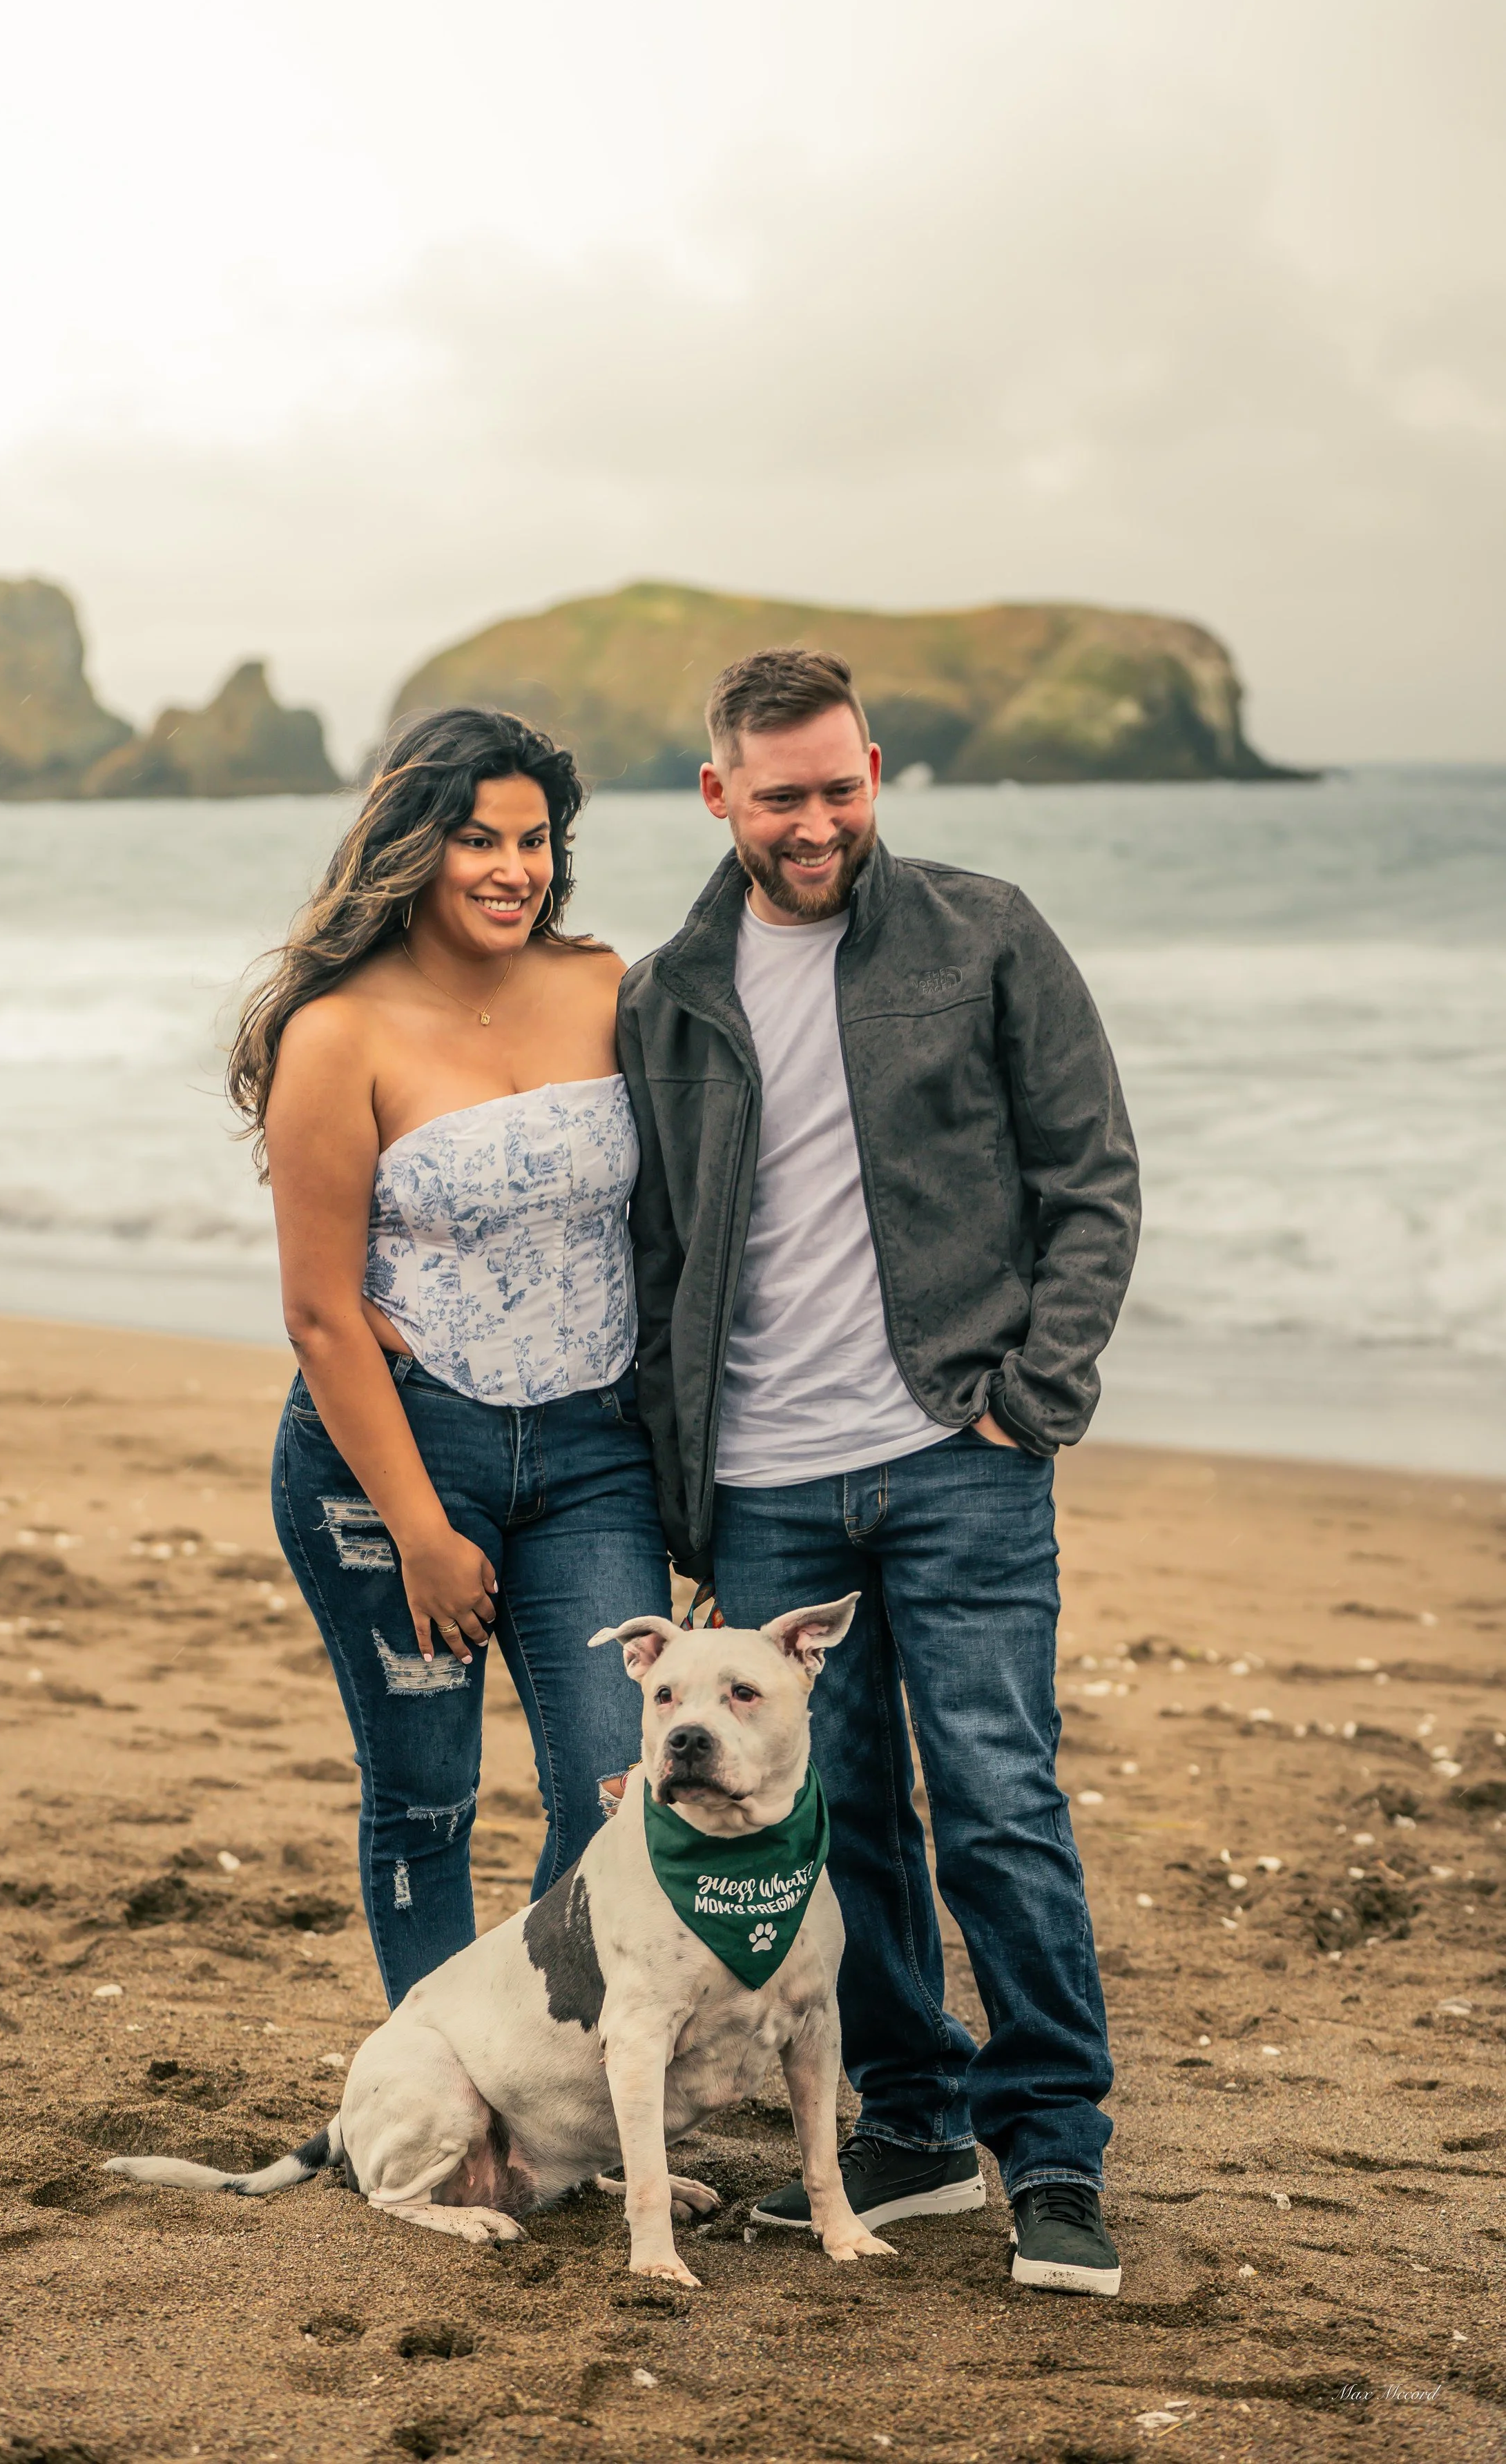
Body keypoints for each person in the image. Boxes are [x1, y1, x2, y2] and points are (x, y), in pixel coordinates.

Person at [616, 648, 1141, 2297]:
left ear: (873, 770)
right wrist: (675, 1477)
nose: (816, 818)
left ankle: (1049, 2146)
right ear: (719, 795)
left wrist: (1030, 1397)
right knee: (841, 1834)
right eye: (780, 794)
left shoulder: (983, 930)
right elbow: (654, 1251)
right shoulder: (669, 985)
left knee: (998, 1800)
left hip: (956, 1453)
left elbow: (1092, 1177)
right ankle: (908, 2128)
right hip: (767, 1487)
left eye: (840, 784)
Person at [229, 708, 668, 2004]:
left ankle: (527, 2050)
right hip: (397, 1456)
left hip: (595, 1450)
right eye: (478, 837)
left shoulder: (604, 986)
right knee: (426, 1799)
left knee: (613, 1791)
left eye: (534, 841)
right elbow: (320, 1314)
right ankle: (438, 2077)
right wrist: (420, 1528)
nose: (511, 869)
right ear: (414, 845)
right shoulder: (339, 1034)